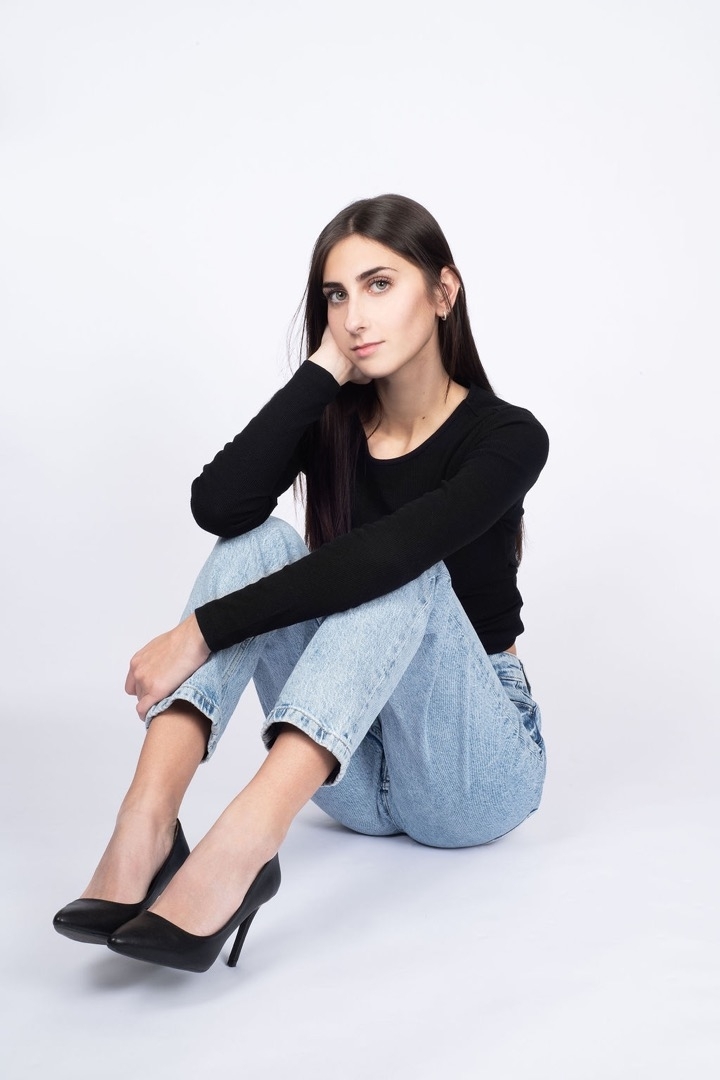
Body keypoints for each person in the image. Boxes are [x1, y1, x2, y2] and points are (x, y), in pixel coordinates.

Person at [53, 193, 549, 974]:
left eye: (379, 285)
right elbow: (219, 506)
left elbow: (389, 556)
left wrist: (200, 631)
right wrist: (322, 373)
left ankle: (241, 846)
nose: (355, 316)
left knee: (404, 567)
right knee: (258, 539)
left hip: (472, 770)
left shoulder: (509, 437)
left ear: (443, 292)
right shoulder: (337, 417)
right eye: (336, 295)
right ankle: (145, 825)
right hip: (346, 762)